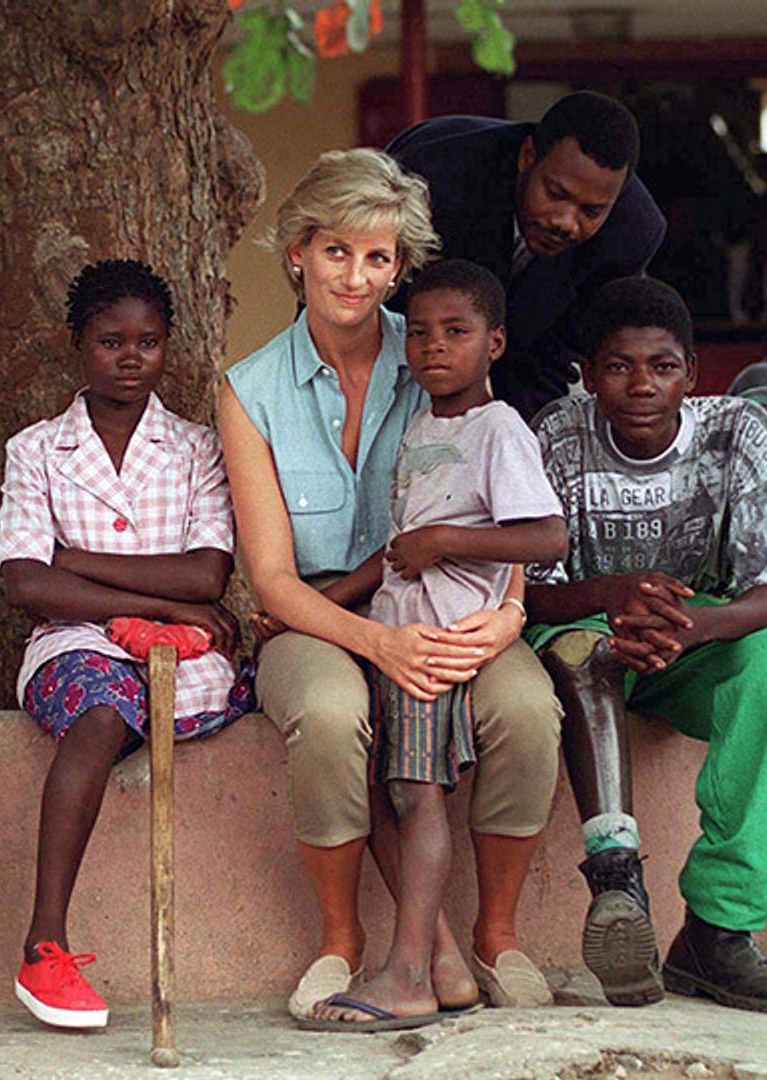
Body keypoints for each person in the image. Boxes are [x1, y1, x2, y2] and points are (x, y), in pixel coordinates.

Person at [218, 150, 564, 1022]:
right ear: (297, 252)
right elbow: (271, 579)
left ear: (400, 266)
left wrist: (512, 612)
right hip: (321, 614)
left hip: (456, 611)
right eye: (337, 252)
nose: (357, 276)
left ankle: (494, 936)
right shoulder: (248, 391)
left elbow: (505, 481)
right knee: (334, 717)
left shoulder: (441, 342)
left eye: (379, 258)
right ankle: (346, 942)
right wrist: (378, 643)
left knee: (524, 708)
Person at [304, 260, 567, 1031]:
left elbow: (547, 533)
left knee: (418, 797)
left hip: (437, 645)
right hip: (398, 630)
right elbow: (397, 550)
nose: (432, 348)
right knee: (391, 792)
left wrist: (447, 541)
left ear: (496, 342)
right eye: (418, 332)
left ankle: (409, 973)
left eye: (456, 332)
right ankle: (440, 968)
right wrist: (318, 607)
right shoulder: (424, 426)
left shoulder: (499, 428)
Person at [0, 259, 253, 1030]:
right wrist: (147, 599)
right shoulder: (36, 450)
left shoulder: (197, 446)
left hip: (186, 651)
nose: (131, 357)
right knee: (103, 711)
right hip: (72, 645)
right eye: (111, 341)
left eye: (148, 341)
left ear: (168, 346)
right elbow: (24, 583)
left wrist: (76, 562)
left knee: (162, 689)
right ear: (79, 344)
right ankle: (45, 944)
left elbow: (208, 572)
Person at [525, 277, 767, 1013]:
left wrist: (695, 625)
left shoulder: (738, 433)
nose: (641, 386)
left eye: (662, 367)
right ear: (588, 374)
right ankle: (617, 877)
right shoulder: (558, 435)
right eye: (617, 367)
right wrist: (611, 596)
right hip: (589, 639)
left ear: (692, 373)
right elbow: (531, 590)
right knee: (580, 648)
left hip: (698, 636)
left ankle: (717, 932)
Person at [386, 91, 666, 420]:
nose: (566, 222)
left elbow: (553, 357)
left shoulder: (631, 232)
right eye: (555, 193)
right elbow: (384, 306)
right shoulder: (432, 178)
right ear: (527, 155)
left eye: (591, 211)